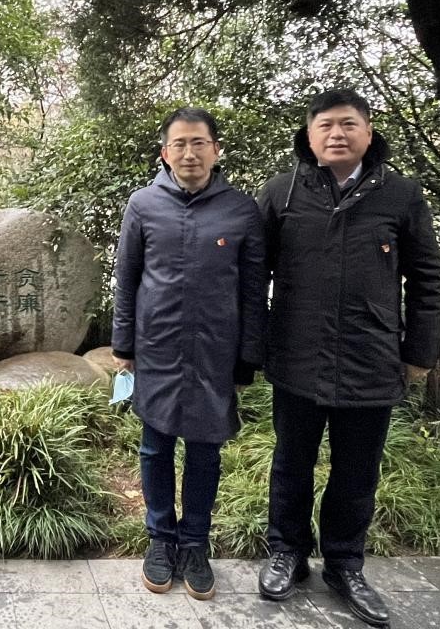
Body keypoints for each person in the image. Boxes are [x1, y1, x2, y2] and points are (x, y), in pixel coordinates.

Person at [256, 88, 440, 627]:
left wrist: (419, 352)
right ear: (309, 136)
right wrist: (255, 346)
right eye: (325, 125)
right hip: (297, 354)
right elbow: (252, 274)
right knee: (291, 463)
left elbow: (427, 278)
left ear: (368, 131)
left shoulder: (400, 194)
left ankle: (344, 564)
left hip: (371, 356)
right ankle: (287, 552)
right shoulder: (282, 192)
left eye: (348, 124)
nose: (337, 134)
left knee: (357, 471)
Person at [112, 107, 267, 602]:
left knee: (205, 450)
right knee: (154, 446)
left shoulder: (241, 210)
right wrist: (123, 345)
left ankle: (195, 543)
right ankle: (160, 539)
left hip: (215, 351)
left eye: (199, 143)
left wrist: (248, 356)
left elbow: (253, 291)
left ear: (215, 150)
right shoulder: (143, 205)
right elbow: (127, 279)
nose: (189, 153)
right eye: (179, 144)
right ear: (165, 153)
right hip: (156, 346)